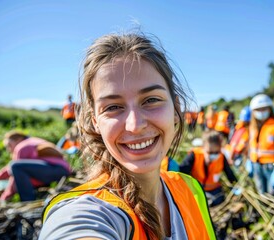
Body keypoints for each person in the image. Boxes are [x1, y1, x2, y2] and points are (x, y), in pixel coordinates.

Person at [40, 33, 216, 240]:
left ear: (176, 109)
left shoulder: (190, 188)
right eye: (113, 107)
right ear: (95, 121)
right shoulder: (89, 212)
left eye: (151, 100)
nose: (135, 126)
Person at [0, 131, 71, 202]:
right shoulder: (32, 141)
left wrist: (4, 197)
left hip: (55, 169)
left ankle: (27, 200)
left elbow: (13, 172)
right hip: (60, 170)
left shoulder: (22, 146)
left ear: (18, 139)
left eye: (9, 145)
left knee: (15, 166)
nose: (8, 149)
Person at [179, 130, 237, 207]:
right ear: (203, 147)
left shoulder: (222, 158)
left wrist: (236, 188)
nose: (213, 155)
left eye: (216, 152)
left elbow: (230, 175)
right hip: (197, 189)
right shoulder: (195, 155)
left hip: (214, 191)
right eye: (210, 152)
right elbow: (182, 172)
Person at [248, 94, 274, 198]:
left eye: (264, 109)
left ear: (270, 109)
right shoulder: (252, 126)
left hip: (271, 166)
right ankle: (264, 213)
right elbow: (251, 145)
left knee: (273, 193)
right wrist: (249, 160)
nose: (261, 112)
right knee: (261, 191)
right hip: (256, 164)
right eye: (258, 109)